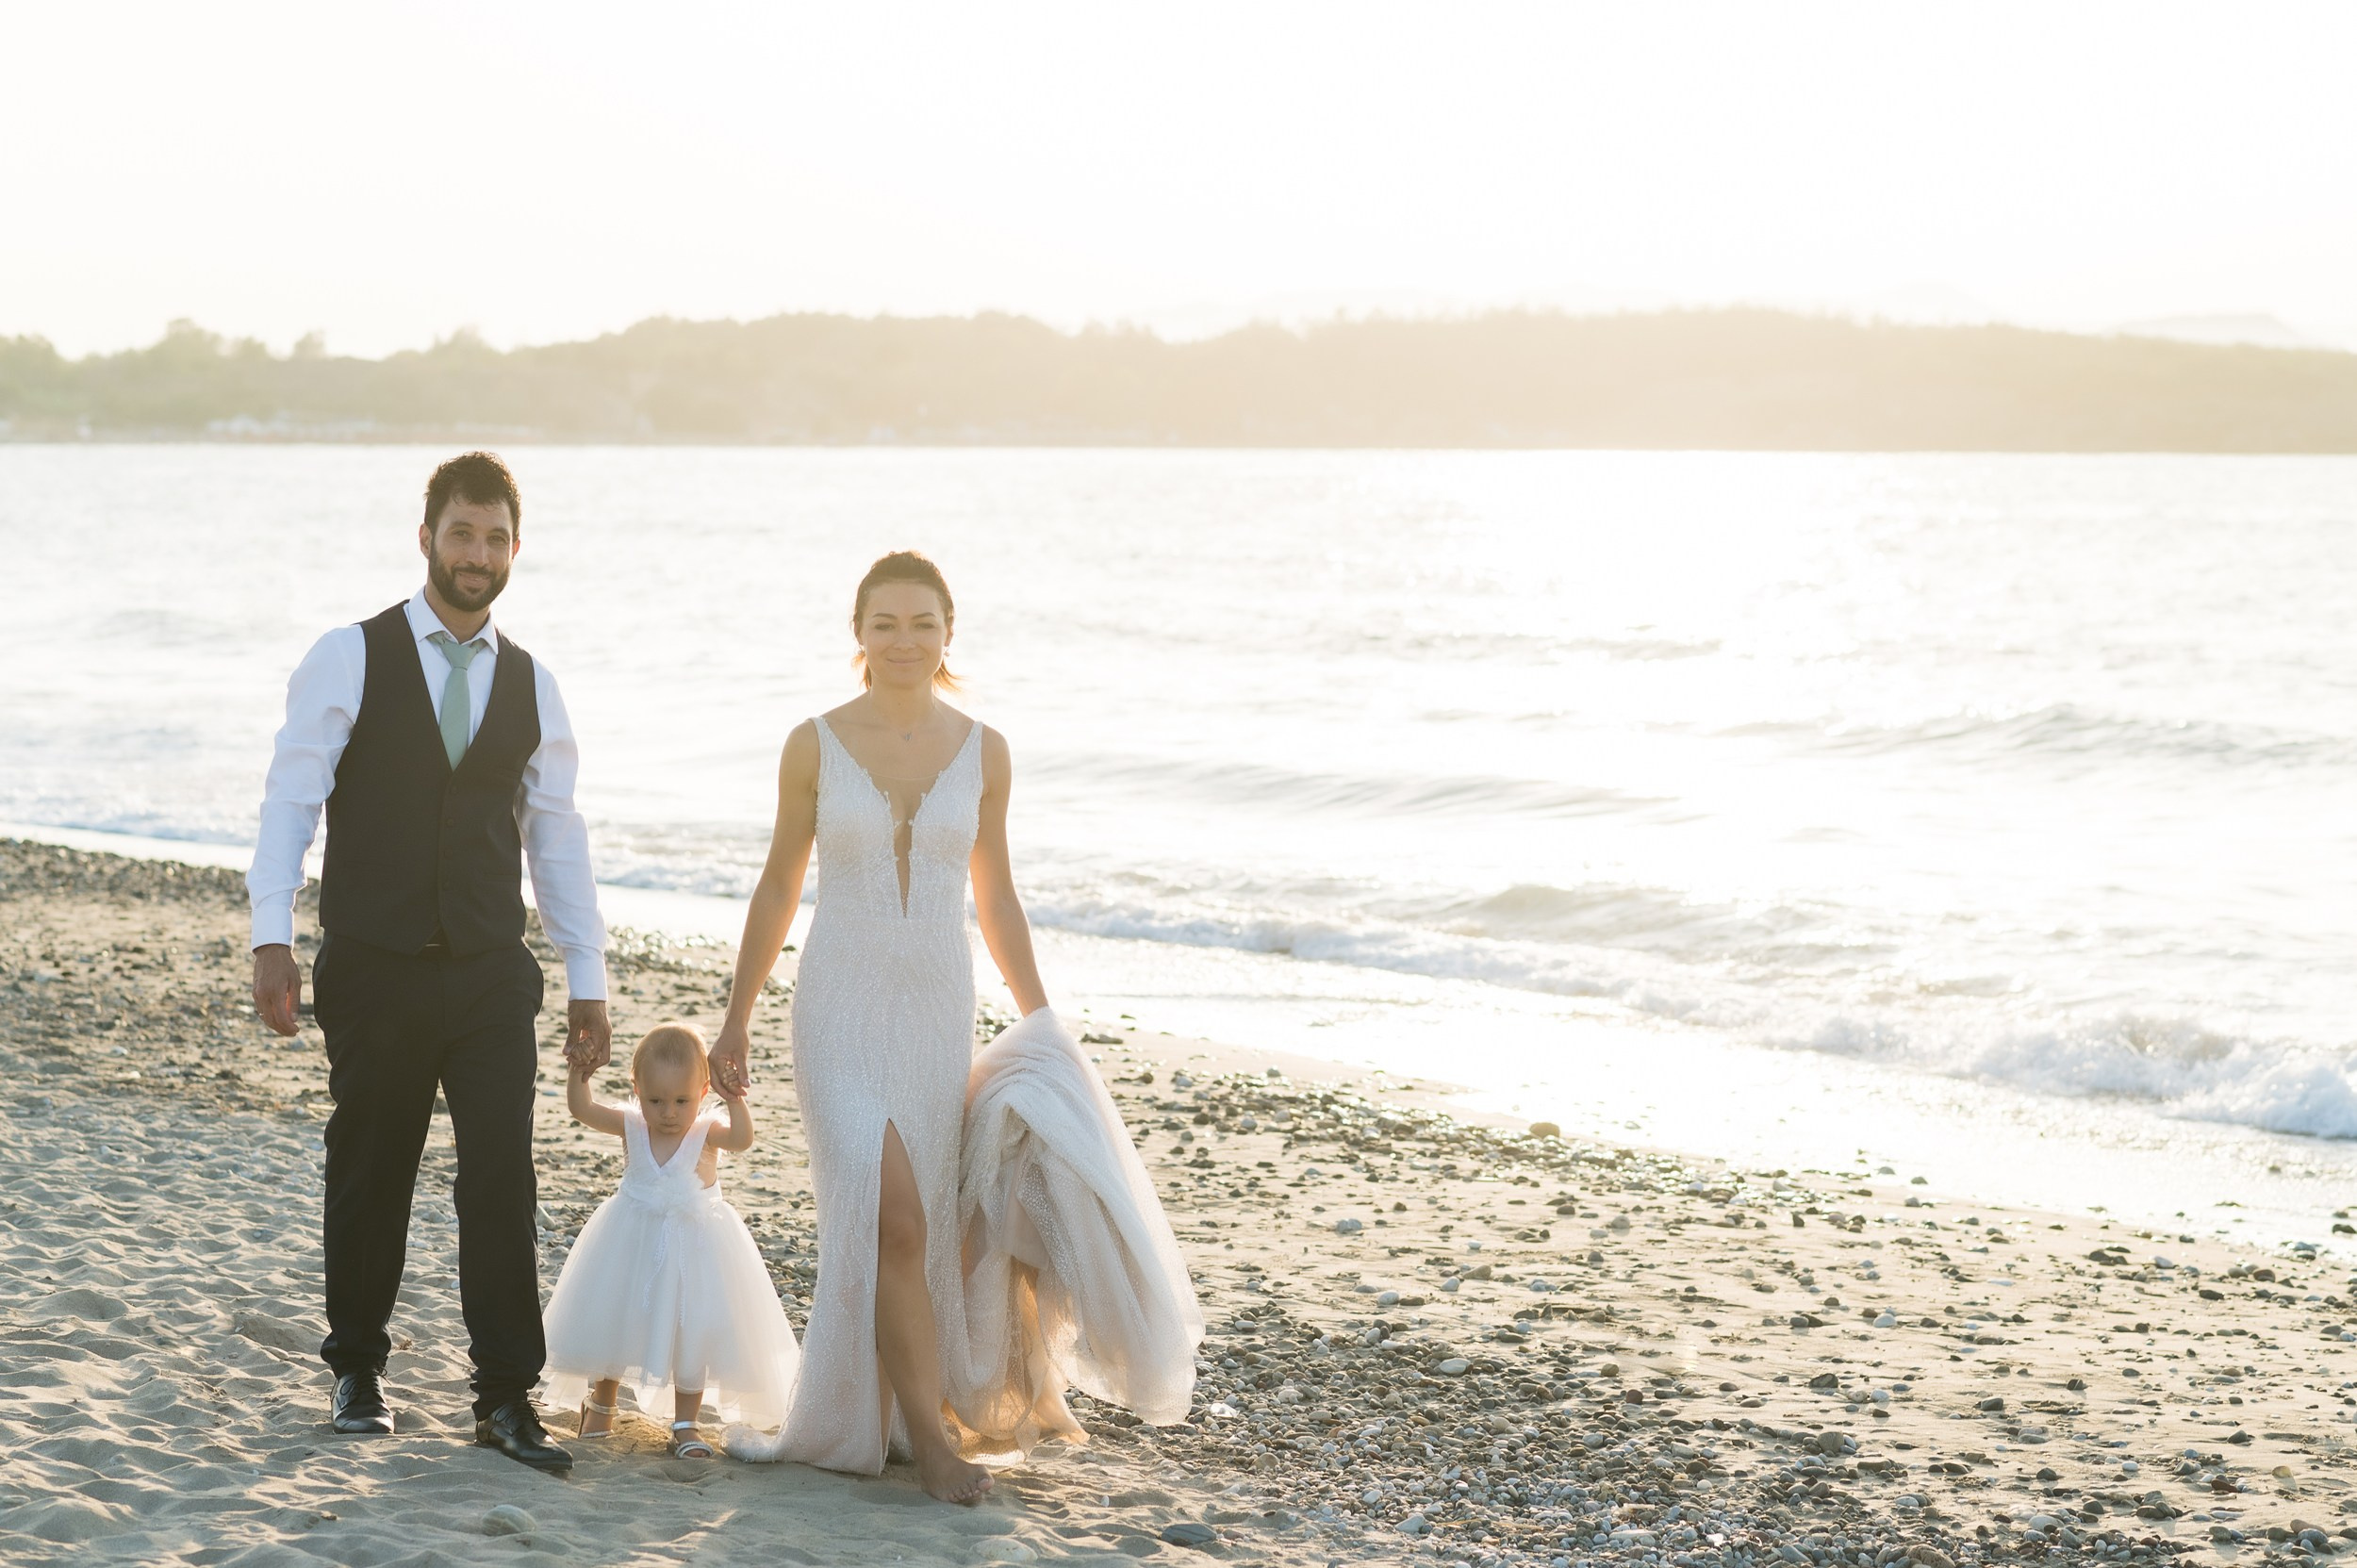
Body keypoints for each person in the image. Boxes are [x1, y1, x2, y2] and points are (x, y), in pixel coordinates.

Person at [710, 550, 1202, 1501]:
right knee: (888, 1213)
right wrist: (738, 1016)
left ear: (948, 633)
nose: (904, 640)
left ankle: (905, 1414)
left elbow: (997, 895)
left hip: (935, 1005)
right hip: (839, 1005)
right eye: (885, 622)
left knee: (916, 1227)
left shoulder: (985, 750)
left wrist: (1039, 1013)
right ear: (859, 632)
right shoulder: (812, 743)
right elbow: (777, 883)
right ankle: (932, 1448)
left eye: (922, 623)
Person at [247, 451, 608, 1475]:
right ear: (427, 538)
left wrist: (587, 975)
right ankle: (358, 1370)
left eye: (495, 538)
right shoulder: (349, 655)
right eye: (461, 533)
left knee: (501, 1177)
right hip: (376, 962)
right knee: (373, 1167)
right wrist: (272, 933)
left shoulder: (534, 683)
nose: (477, 554)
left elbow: (557, 837)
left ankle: (504, 1396)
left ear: (515, 548)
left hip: (491, 969)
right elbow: (290, 798)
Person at [542, 1023, 800, 1457]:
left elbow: (742, 1140)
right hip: (629, 1245)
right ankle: (601, 1403)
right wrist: (578, 1074)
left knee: (691, 1331)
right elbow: (582, 1109)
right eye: (655, 1100)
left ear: (702, 1092)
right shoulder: (631, 1126)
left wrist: (735, 1099)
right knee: (615, 1319)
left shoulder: (706, 1132)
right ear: (637, 1089)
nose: (668, 1113)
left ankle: (685, 1422)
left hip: (695, 1254)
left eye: (682, 1101)